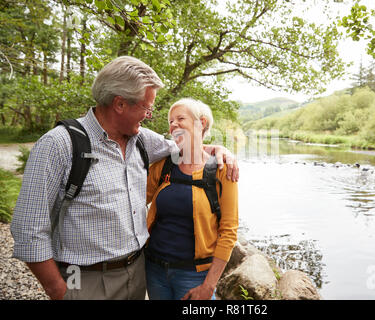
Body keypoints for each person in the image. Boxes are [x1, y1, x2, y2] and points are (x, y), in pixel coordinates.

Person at [10, 56, 238, 300]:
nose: (150, 116)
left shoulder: (142, 140)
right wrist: (58, 290)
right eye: (146, 107)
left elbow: (187, 147)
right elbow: (28, 229)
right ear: (120, 104)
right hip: (84, 280)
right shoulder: (58, 145)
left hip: (138, 274)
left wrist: (218, 150)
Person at [145, 98, 238, 300]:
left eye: (180, 118)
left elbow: (229, 231)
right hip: (154, 270)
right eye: (170, 121)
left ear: (201, 123)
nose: (173, 124)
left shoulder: (221, 170)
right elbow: (133, 201)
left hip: (195, 276)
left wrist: (209, 286)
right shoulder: (163, 166)